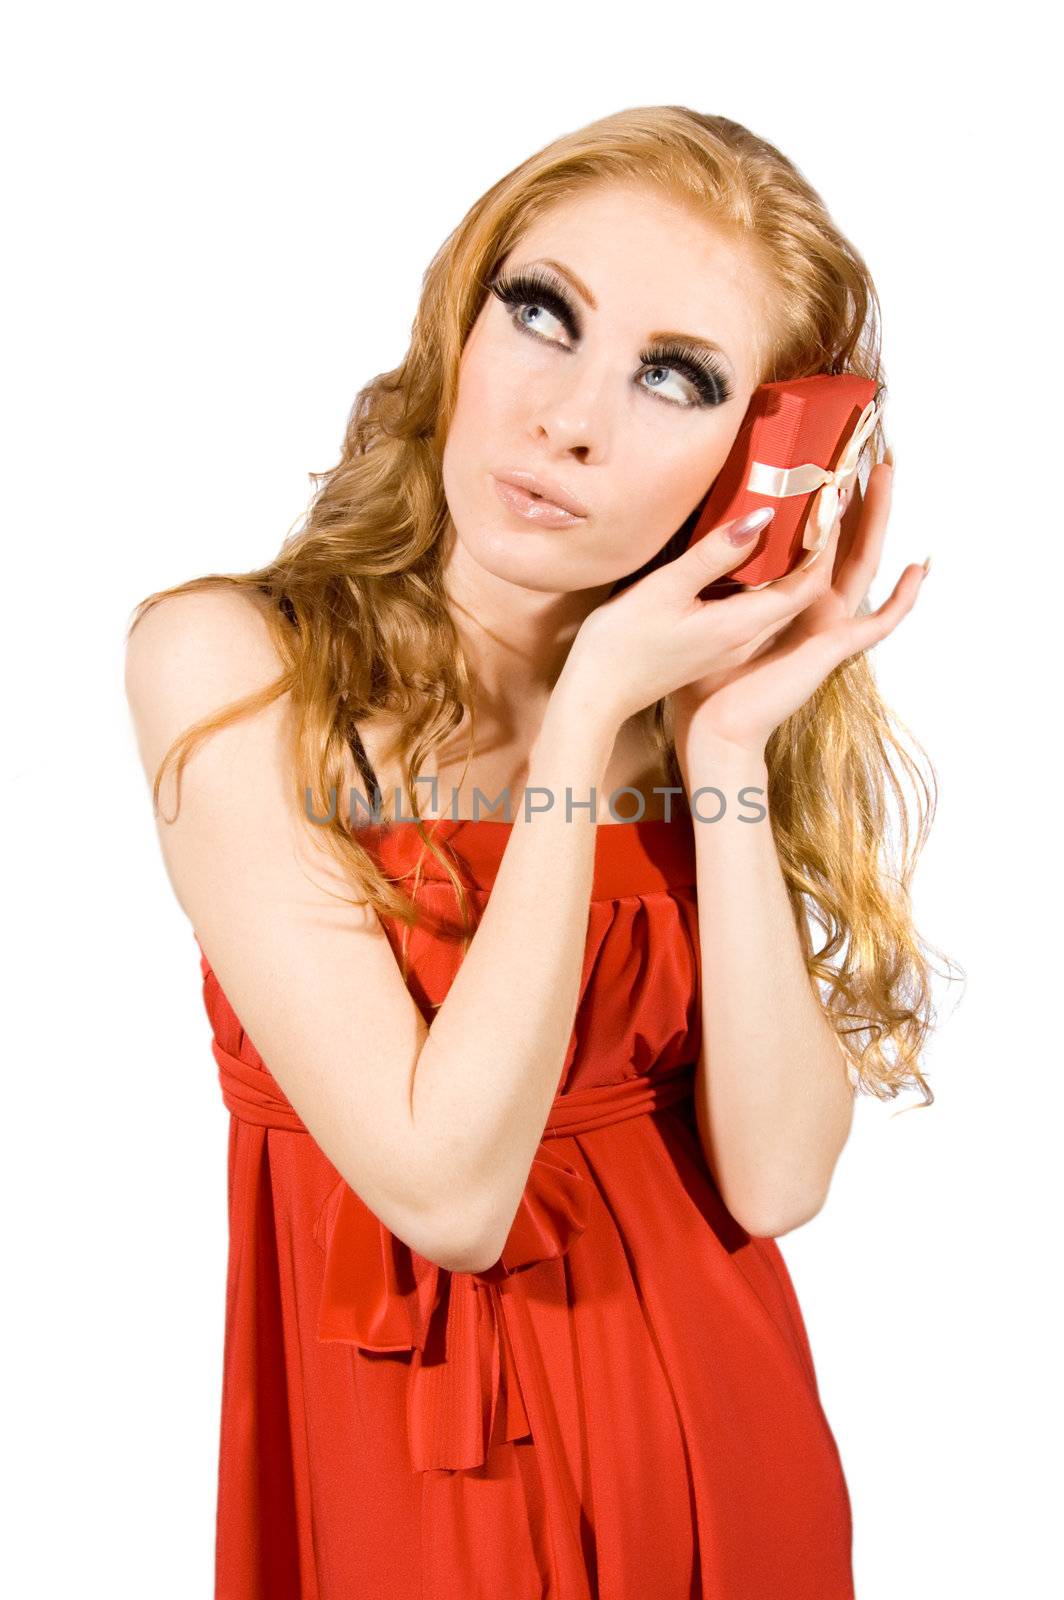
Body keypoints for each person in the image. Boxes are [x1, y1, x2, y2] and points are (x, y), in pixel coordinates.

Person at [124, 105, 950, 1600]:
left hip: (719, 1443)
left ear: (758, 467)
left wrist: (719, 756)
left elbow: (774, 1182)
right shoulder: (232, 667)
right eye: (543, 312)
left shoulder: (689, 732)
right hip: (413, 1480)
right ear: (462, 315)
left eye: (676, 378)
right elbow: (447, 1190)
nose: (570, 420)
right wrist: (576, 740)